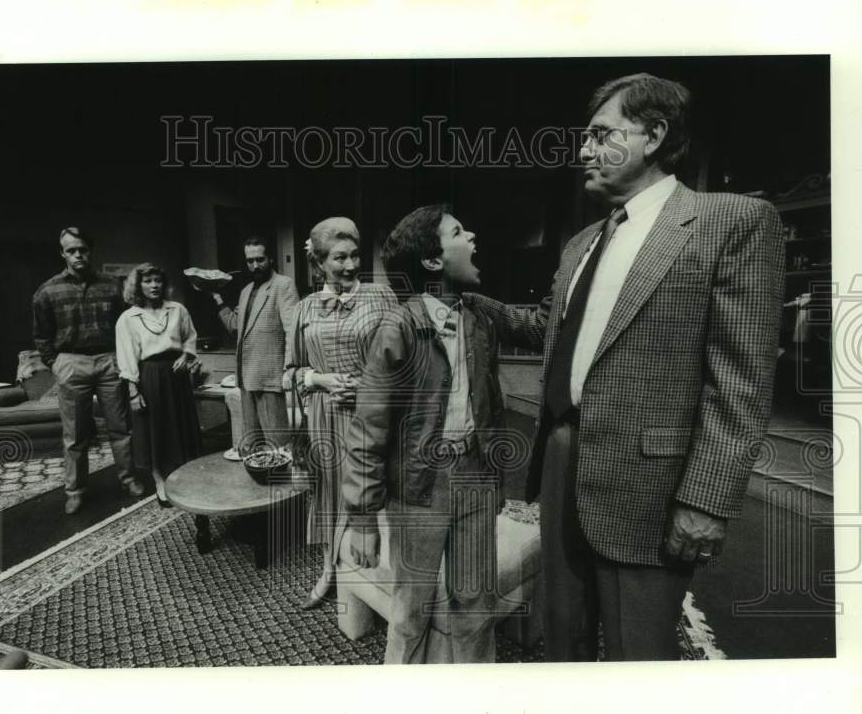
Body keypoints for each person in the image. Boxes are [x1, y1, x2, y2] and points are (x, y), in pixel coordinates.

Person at [467, 73, 785, 661]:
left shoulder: (730, 222)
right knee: (562, 633)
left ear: (654, 134)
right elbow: (549, 329)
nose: (583, 151)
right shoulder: (582, 241)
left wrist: (707, 501)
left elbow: (739, 383)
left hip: (651, 483)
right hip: (560, 458)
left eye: (600, 135)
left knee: (639, 653)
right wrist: (463, 296)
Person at [343, 205, 506, 664]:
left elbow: (488, 405)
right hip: (419, 487)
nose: (472, 236)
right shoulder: (398, 328)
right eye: (458, 231)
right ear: (433, 262)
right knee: (412, 609)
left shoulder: (478, 317)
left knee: (475, 605)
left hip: (475, 475)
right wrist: (361, 518)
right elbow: (367, 430)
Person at [284, 217, 398, 609]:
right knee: (330, 493)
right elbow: (290, 373)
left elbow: (402, 363)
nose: (349, 266)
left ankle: (379, 574)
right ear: (318, 264)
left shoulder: (382, 297)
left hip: (370, 416)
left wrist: (364, 386)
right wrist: (320, 379)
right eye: (338, 258)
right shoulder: (302, 310)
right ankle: (330, 569)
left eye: (354, 256)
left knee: (371, 490)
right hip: (323, 417)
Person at [33, 227, 144, 514]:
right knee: (75, 435)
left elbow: (128, 323)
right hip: (72, 364)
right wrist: (56, 363)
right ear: (63, 254)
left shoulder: (112, 286)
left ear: (89, 251)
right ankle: (75, 491)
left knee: (121, 428)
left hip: (109, 362)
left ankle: (128, 479)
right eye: (71, 250)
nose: (78, 255)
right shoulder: (47, 291)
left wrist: (123, 359)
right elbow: (42, 336)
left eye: (82, 249)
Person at [116, 263, 202, 509]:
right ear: (138, 285)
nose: (154, 285)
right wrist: (133, 391)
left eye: (158, 281)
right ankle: (160, 482)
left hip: (175, 375)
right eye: (147, 281)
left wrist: (186, 357)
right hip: (149, 376)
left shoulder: (177, 310)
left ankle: (185, 477)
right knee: (155, 430)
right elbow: (127, 356)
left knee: (180, 427)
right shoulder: (128, 318)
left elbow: (190, 337)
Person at [212, 237, 298, 457]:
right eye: (250, 261)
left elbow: (292, 329)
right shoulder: (246, 290)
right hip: (246, 375)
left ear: (270, 258)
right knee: (254, 446)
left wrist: (289, 367)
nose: (255, 265)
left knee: (278, 446)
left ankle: (284, 486)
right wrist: (217, 298)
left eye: (260, 259)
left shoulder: (283, 285)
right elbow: (235, 328)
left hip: (270, 374)